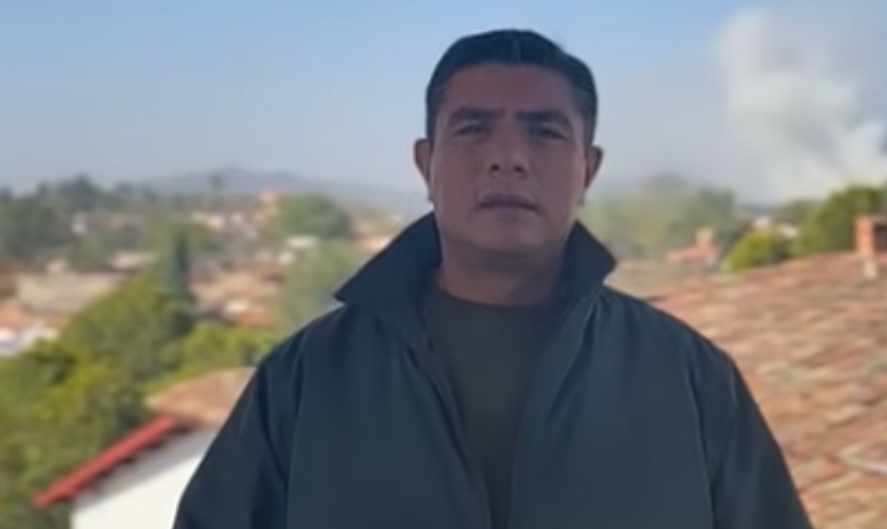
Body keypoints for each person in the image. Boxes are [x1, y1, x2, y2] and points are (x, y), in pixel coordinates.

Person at [173, 29, 813, 529]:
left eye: (544, 133)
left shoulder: (690, 379)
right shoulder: (306, 379)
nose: (508, 158)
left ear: (588, 170)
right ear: (426, 164)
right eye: (474, 129)